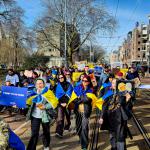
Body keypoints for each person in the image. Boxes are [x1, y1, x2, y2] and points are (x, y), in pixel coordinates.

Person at [99, 78, 134, 150]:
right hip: (110, 118)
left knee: (120, 136)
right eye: (113, 83)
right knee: (112, 136)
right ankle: (114, 148)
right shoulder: (108, 92)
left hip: (120, 119)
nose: (114, 84)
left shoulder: (124, 92)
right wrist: (102, 117)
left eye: (116, 83)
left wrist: (128, 99)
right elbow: (104, 106)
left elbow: (129, 106)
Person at [26, 78, 58, 150]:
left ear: (44, 84)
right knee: (34, 134)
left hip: (45, 116)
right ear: (35, 85)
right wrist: (17, 105)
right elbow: (27, 103)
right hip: (35, 116)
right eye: (37, 83)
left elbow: (55, 102)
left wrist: (45, 106)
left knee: (46, 132)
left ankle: (46, 146)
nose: (39, 85)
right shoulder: (33, 92)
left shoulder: (48, 92)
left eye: (40, 83)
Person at [70, 75, 94, 150]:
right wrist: (81, 98)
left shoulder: (91, 89)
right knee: (79, 127)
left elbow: (88, 99)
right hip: (77, 111)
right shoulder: (77, 88)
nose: (84, 82)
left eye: (86, 81)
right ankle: (82, 138)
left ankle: (84, 145)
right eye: (83, 80)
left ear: (89, 82)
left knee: (84, 127)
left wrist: (79, 98)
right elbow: (73, 99)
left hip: (86, 111)